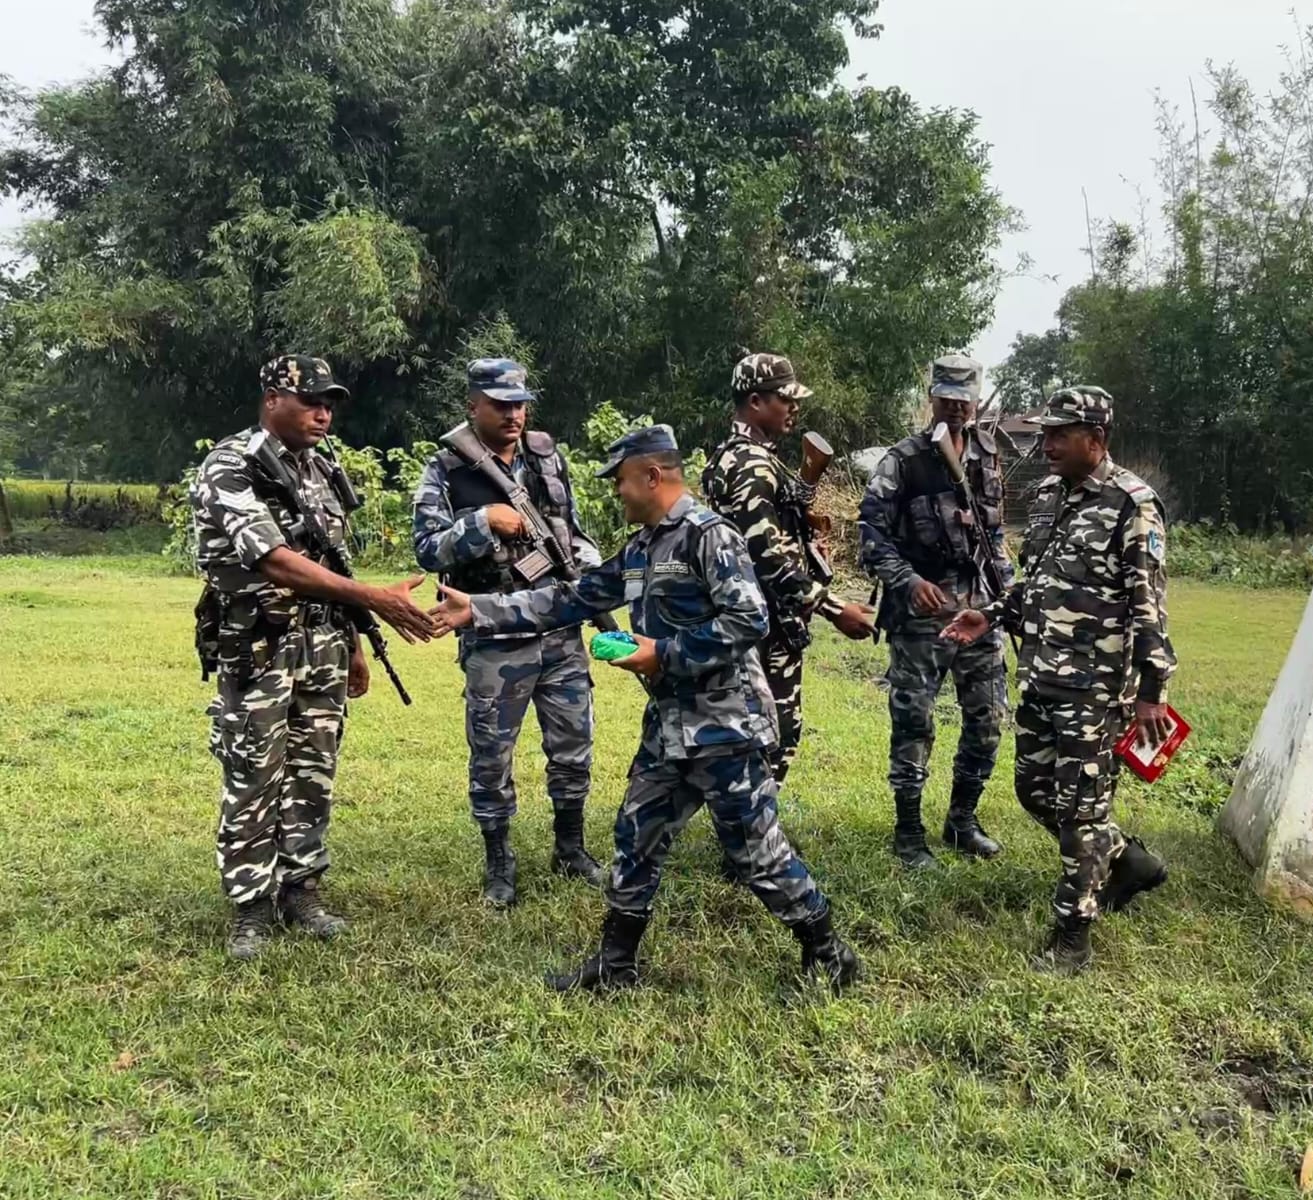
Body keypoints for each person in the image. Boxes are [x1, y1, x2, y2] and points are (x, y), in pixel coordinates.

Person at [430, 425, 860, 993]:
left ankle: (829, 953)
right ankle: (616, 965)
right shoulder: (642, 547)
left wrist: (664, 652)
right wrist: (481, 609)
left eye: (622, 482)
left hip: (726, 727)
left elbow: (748, 620)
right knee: (637, 836)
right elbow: (570, 597)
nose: (617, 493)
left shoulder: (710, 537)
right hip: (670, 728)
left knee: (757, 853)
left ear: (652, 476)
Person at [191, 354, 438, 960]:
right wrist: (373, 600)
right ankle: (250, 906)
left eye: (330, 402)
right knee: (254, 771)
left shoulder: (321, 470)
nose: (324, 413)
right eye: (311, 401)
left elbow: (332, 563)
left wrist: (355, 643)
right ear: (273, 398)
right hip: (259, 643)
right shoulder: (232, 465)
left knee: (313, 770)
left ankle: (302, 888)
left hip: (323, 643)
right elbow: (274, 560)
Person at [940, 386, 1176, 974]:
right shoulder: (1049, 495)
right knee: (1033, 790)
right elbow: (1034, 581)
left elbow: (1149, 604)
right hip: (1042, 676)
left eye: (1059, 436)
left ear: (1095, 442)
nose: (1045, 445)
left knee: (1080, 815)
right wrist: (989, 615)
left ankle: (1072, 940)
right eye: (1045, 433)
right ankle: (1128, 862)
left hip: (1097, 690)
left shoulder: (1132, 504)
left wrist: (1152, 693)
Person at [412, 358, 606, 906]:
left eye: (520, 403)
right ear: (472, 404)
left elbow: (572, 530)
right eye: (500, 404)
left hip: (557, 628)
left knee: (573, 747)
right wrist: (483, 522)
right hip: (493, 635)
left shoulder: (546, 458)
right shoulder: (448, 469)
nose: (514, 413)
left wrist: (586, 568)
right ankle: (499, 860)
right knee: (492, 756)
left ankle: (570, 848)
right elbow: (426, 548)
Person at [857, 354, 1013, 869]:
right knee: (913, 721)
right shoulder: (902, 461)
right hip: (922, 613)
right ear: (932, 396)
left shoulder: (988, 454)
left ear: (975, 399)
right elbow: (870, 536)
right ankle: (908, 833)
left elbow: (994, 534)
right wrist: (907, 580)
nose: (956, 406)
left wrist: (1006, 600)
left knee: (988, 717)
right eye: (946, 395)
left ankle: (961, 821)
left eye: (964, 397)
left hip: (979, 607)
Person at [702, 352, 875, 795]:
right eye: (785, 399)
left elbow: (774, 522)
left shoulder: (743, 456)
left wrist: (805, 526)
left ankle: (754, 825)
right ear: (756, 402)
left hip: (758, 617)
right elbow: (768, 559)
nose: (794, 407)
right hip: (764, 622)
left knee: (762, 726)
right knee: (772, 729)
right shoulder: (752, 465)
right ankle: (751, 834)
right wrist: (835, 610)